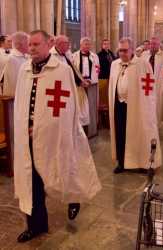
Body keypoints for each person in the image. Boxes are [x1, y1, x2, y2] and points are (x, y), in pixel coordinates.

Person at [14, 30, 101, 243]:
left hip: (55, 135)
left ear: (47, 44)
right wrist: (23, 126)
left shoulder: (61, 70)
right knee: (32, 180)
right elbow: (20, 104)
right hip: (28, 138)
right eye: (30, 45)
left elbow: (66, 108)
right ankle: (36, 225)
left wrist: (45, 128)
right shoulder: (24, 69)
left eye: (36, 44)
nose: (32, 48)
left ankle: (73, 198)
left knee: (63, 168)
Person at [109, 37, 162, 174]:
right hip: (119, 105)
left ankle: (141, 163)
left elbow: (149, 88)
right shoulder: (114, 64)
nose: (122, 53)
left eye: (125, 50)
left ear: (132, 49)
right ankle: (121, 163)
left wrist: (147, 108)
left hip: (137, 106)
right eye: (120, 50)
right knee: (120, 134)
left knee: (138, 134)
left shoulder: (143, 65)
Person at [142, 37, 163, 123]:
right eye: (151, 44)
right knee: (146, 106)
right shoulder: (144, 54)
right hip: (146, 85)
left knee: (157, 106)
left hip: (159, 85)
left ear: (159, 45)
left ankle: (155, 125)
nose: (152, 46)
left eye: (155, 44)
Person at [73, 37, 100, 127]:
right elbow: (73, 70)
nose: (88, 46)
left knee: (91, 107)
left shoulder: (94, 56)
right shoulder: (74, 56)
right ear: (81, 45)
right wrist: (81, 81)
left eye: (89, 44)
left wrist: (91, 80)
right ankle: (79, 126)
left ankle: (92, 128)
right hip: (79, 85)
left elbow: (97, 69)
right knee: (80, 107)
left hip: (91, 84)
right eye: (86, 44)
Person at [3, 31, 29, 96]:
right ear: (18, 45)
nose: (30, 46)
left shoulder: (26, 57)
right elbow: (12, 82)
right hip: (15, 97)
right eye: (27, 43)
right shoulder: (12, 59)